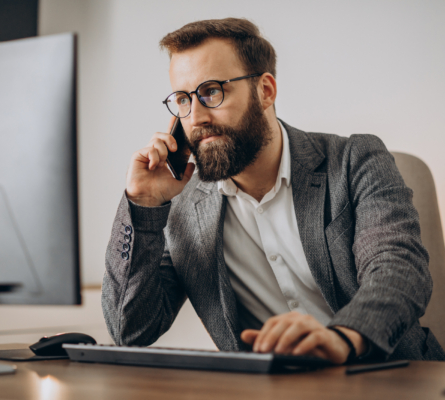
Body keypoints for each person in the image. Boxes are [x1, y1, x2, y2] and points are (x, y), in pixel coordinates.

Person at [102, 18, 445, 363]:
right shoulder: (181, 204)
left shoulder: (355, 161)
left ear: (265, 91)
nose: (196, 117)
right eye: (183, 99)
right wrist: (143, 205)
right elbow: (130, 329)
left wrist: (344, 337)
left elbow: (399, 269)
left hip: (388, 379)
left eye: (211, 91)